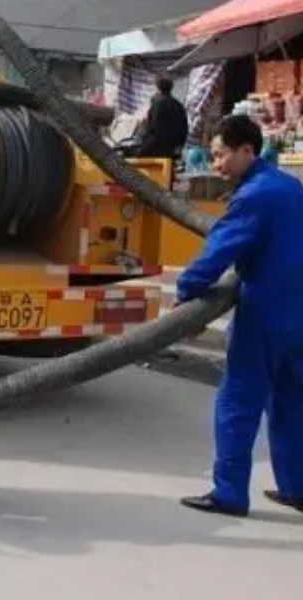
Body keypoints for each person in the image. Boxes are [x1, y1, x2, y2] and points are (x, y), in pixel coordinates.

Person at [177, 115, 303, 516]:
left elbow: (219, 250)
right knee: (292, 402)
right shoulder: (289, 186)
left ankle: (229, 493)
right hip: (298, 312)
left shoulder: (254, 196)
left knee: (238, 401)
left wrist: (187, 294)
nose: (215, 165)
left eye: (220, 155)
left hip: (266, 310)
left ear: (247, 150)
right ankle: (296, 488)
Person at [138, 77, 189, 159]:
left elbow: (153, 128)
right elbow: (184, 128)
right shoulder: (178, 105)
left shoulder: (157, 104)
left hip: (157, 149)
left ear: (158, 88)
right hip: (173, 149)